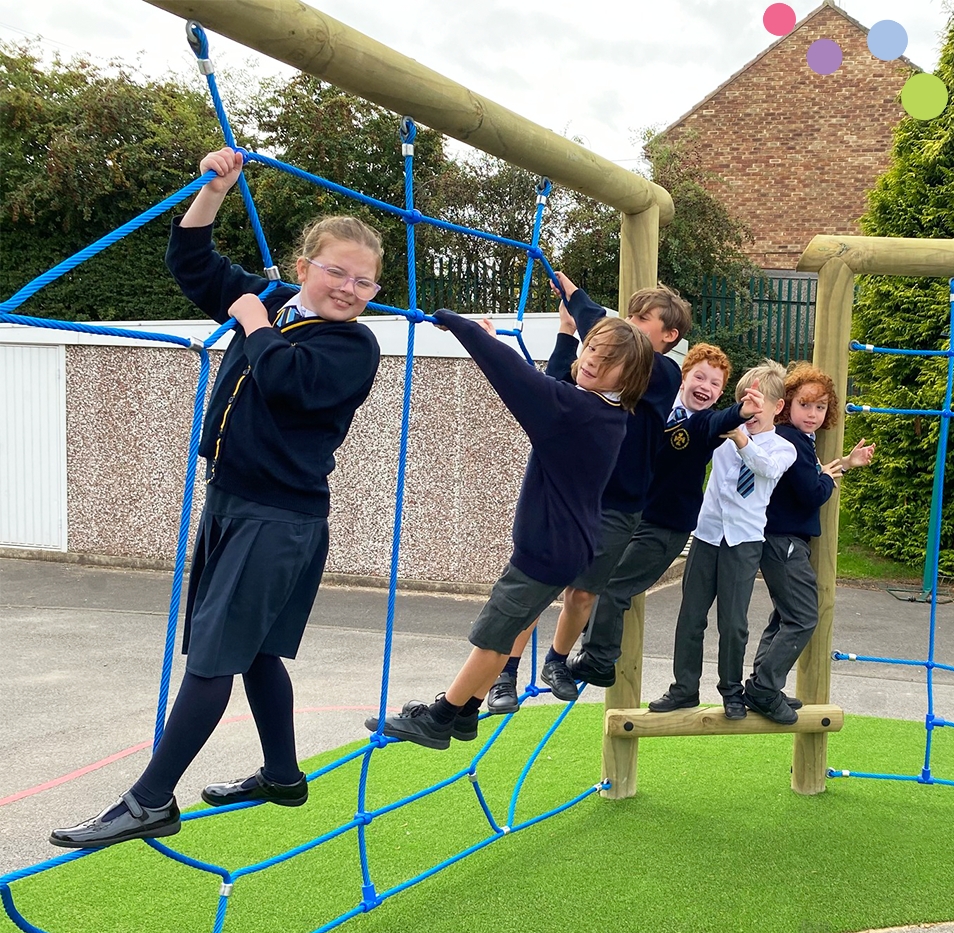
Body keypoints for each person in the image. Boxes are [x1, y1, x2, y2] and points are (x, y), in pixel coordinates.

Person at [50, 147, 383, 848]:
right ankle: (284, 775)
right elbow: (191, 261)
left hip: (279, 517)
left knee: (213, 659)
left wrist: (253, 322)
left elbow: (288, 383)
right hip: (234, 503)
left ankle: (149, 800)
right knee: (256, 652)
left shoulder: (352, 347)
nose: (351, 288)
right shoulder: (267, 299)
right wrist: (216, 188)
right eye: (337, 272)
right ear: (304, 268)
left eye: (366, 280)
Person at [365, 312, 655, 750]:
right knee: (508, 628)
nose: (594, 360)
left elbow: (515, 378)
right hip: (564, 547)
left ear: (629, 378)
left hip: (547, 551)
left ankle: (441, 717)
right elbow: (546, 384)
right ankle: (466, 712)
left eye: (610, 359)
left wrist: (462, 328)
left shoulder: (576, 410)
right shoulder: (601, 410)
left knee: (494, 633)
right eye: (593, 347)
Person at [486, 273, 690, 713]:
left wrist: (577, 297)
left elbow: (596, 319)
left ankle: (556, 660)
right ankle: (505, 670)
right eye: (630, 315)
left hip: (618, 505)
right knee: (538, 588)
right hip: (572, 497)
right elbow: (559, 383)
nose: (630, 322)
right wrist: (564, 332)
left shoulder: (663, 372)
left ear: (669, 336)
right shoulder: (599, 373)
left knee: (583, 594)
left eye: (641, 318)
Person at [564, 343, 763, 688]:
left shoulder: (704, 425)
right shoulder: (657, 411)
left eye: (715, 384)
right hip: (634, 516)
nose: (705, 387)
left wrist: (740, 412)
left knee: (615, 585)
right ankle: (592, 643)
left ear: (719, 394)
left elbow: (722, 419)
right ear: (683, 378)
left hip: (667, 526)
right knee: (591, 578)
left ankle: (598, 658)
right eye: (699, 377)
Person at [650, 360, 795, 718]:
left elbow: (766, 468)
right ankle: (684, 688)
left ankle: (731, 690)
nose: (749, 411)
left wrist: (739, 436)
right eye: (744, 402)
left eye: (757, 403)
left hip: (744, 541)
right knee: (690, 617)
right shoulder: (720, 434)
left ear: (777, 408)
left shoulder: (781, 448)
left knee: (733, 623)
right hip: (708, 533)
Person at [744, 364, 875, 723]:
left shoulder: (796, 439)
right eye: (806, 405)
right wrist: (831, 480)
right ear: (787, 405)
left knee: (787, 614)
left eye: (820, 407)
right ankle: (763, 688)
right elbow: (810, 492)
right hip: (783, 539)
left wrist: (843, 466)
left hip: (780, 538)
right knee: (803, 616)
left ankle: (762, 682)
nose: (813, 414)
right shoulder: (792, 440)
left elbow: (813, 477)